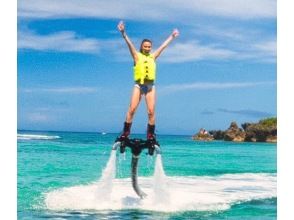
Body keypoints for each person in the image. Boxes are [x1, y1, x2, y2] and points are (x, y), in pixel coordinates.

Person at [117, 20, 179, 142]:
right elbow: (129, 44)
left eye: (149, 47)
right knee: (132, 109)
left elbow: (163, 46)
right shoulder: (136, 55)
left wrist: (172, 36)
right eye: (145, 46)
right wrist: (123, 33)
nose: (147, 48)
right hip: (139, 86)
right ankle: (125, 133)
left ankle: (150, 135)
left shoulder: (153, 56)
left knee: (151, 112)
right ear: (142, 47)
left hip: (150, 86)